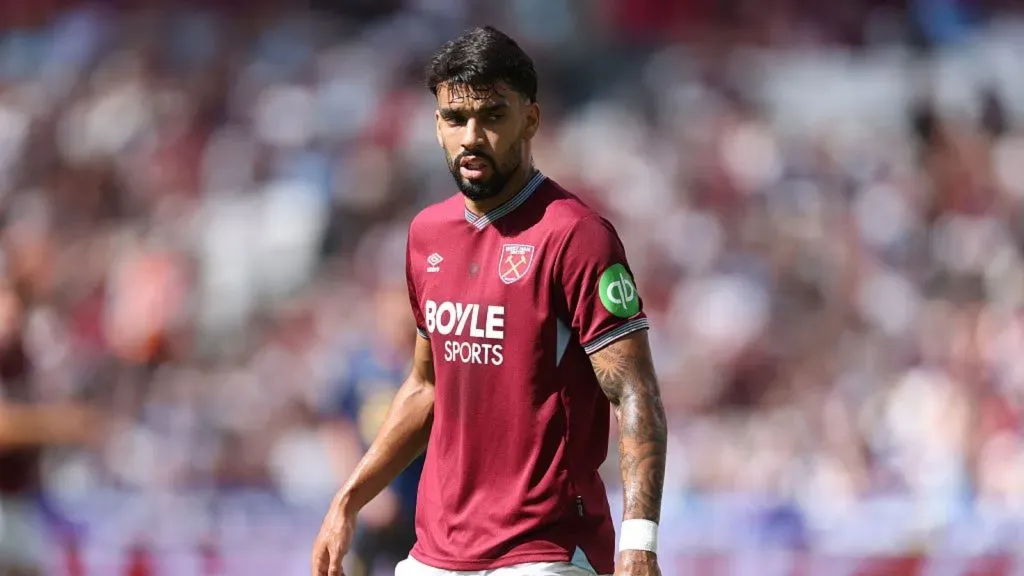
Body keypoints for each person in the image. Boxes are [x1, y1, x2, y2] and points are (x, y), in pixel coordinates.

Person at [311, 26, 667, 576]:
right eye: (455, 119)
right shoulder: (427, 234)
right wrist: (348, 500)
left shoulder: (576, 235)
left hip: (542, 552)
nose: (471, 136)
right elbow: (427, 386)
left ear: (530, 119)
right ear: (436, 125)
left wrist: (639, 543)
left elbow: (634, 390)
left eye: (492, 116)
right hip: (434, 553)